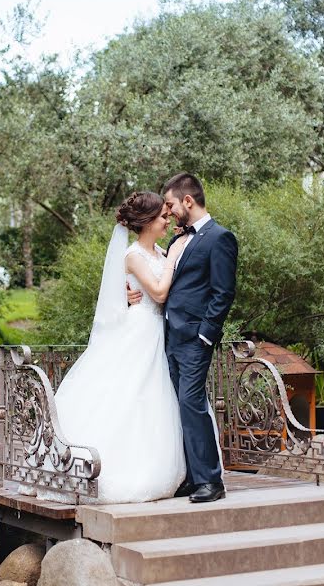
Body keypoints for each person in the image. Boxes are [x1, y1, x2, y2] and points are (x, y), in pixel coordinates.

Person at [30, 191, 189, 504]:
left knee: (150, 400)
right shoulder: (132, 255)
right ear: (146, 222)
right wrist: (173, 257)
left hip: (157, 331)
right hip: (140, 331)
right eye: (162, 216)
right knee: (128, 396)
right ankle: (95, 467)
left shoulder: (157, 251)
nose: (166, 220)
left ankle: (152, 463)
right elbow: (157, 292)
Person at [128, 173, 238, 503]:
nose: (170, 211)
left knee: (191, 403)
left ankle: (210, 481)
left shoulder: (220, 238)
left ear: (187, 201)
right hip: (169, 336)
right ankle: (192, 476)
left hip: (194, 338)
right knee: (178, 405)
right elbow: (152, 273)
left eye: (172, 204)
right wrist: (126, 290)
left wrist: (207, 335)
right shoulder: (178, 240)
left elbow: (223, 293)